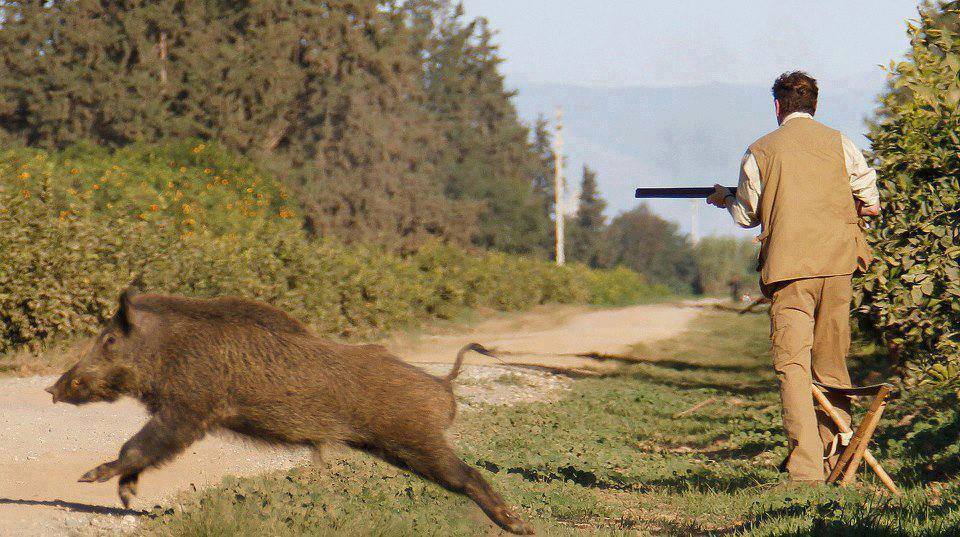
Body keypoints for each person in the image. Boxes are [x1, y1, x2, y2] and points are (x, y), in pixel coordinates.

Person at [706, 71, 880, 485]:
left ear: (778, 106)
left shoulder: (760, 150)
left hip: (789, 273)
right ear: (815, 106)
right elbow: (870, 204)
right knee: (833, 365)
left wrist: (723, 197)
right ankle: (838, 462)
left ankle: (805, 468)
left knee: (792, 366)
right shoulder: (841, 143)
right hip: (839, 266)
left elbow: (748, 215)